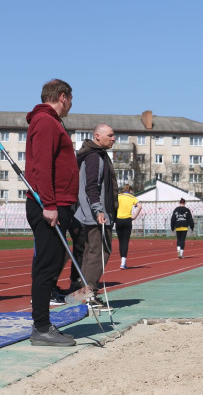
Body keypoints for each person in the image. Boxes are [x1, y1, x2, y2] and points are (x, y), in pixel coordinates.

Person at [24, 79, 79, 346]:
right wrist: (49, 204)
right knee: (48, 266)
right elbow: (42, 167)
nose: (72, 105)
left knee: (50, 263)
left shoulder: (51, 121)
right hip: (49, 205)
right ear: (62, 97)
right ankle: (42, 328)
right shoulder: (46, 122)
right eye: (71, 99)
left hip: (56, 203)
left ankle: (42, 324)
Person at [74, 123, 118, 311]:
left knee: (92, 251)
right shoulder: (94, 157)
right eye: (110, 135)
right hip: (96, 215)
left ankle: (85, 294)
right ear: (97, 136)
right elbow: (91, 186)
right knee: (99, 252)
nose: (114, 138)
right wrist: (98, 210)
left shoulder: (95, 155)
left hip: (92, 213)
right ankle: (89, 295)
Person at [115, 184, 142, 269]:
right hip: (127, 220)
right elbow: (140, 206)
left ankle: (122, 262)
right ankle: (123, 262)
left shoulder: (118, 196)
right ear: (130, 190)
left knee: (120, 241)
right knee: (125, 242)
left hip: (118, 220)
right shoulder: (132, 197)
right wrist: (134, 216)